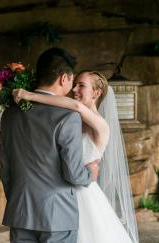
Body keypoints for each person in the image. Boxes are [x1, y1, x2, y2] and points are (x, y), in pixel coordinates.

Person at [13, 70, 139, 243]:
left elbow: (77, 106)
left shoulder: (100, 125)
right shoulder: (70, 118)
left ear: (96, 93)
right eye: (75, 84)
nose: (74, 89)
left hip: (83, 193)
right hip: (60, 193)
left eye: (82, 85)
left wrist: (30, 95)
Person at [0, 48, 100, 243]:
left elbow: (5, 169)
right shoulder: (68, 117)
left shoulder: (9, 114)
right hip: (57, 216)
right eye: (72, 81)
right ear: (64, 78)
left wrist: (17, 200)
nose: (72, 87)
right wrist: (90, 173)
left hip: (20, 213)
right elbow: (73, 173)